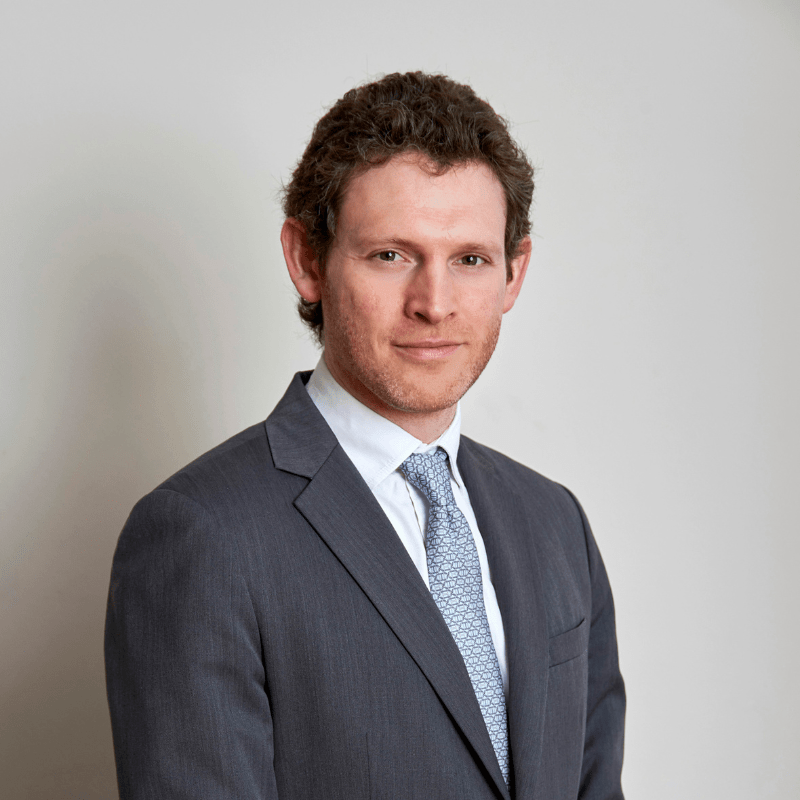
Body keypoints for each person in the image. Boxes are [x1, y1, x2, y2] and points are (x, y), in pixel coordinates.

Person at [105, 71, 625, 800]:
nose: (435, 304)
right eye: (391, 255)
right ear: (307, 261)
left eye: (470, 259)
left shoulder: (554, 522)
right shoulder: (202, 534)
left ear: (514, 274)